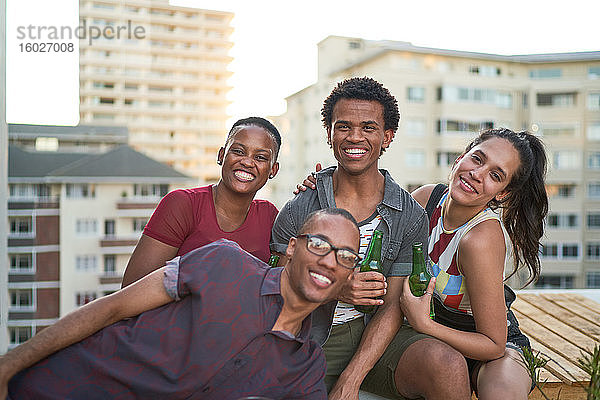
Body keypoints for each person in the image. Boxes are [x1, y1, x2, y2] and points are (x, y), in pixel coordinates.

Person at [1, 208, 362, 400]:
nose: (329, 260)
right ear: (293, 248)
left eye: (345, 256)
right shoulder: (225, 262)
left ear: (349, 276)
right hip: (64, 386)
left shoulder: (305, 368)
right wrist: (8, 365)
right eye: (319, 244)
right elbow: (111, 308)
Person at [271, 76, 429, 400]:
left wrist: (351, 379)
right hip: (309, 334)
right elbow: (273, 289)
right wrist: (335, 290)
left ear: (387, 137)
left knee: (446, 366)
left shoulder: (410, 216)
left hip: (375, 338)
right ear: (329, 135)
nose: (354, 137)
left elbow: (391, 307)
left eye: (368, 128)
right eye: (343, 126)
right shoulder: (300, 208)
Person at [398, 128, 547, 399]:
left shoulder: (481, 238)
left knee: (502, 394)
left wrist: (424, 324)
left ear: (502, 194)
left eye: (495, 175)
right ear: (460, 158)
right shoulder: (426, 200)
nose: (478, 174)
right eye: (477, 159)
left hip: (488, 348)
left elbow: (493, 344)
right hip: (434, 340)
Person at [121, 116, 281, 287]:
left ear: (273, 170)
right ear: (221, 155)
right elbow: (132, 289)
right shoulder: (182, 204)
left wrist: (311, 188)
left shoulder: (269, 216)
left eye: (261, 157)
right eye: (239, 152)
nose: (247, 162)